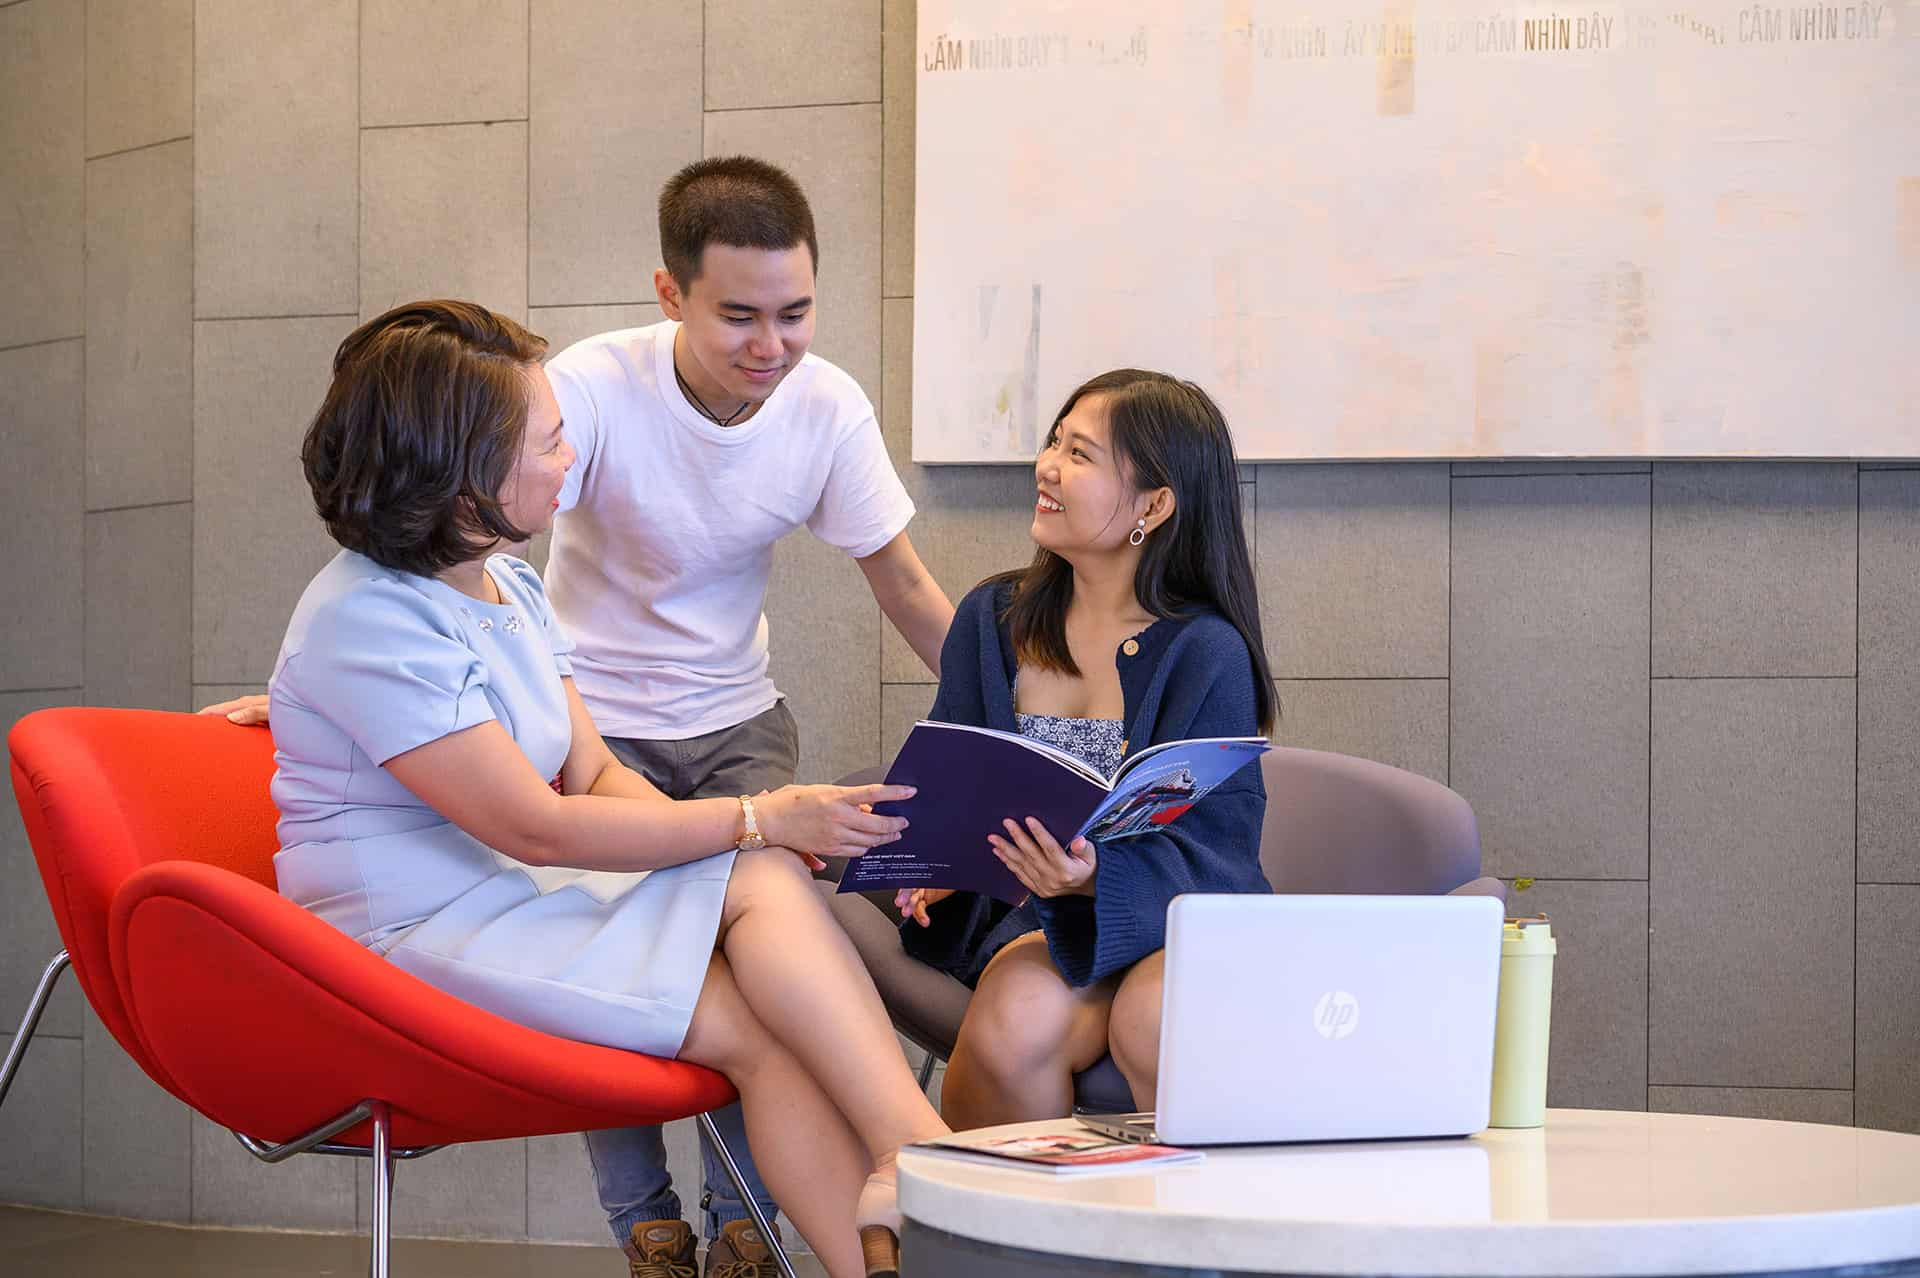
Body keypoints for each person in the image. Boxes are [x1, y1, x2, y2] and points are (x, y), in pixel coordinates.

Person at [206, 156, 954, 1278]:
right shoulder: (366, 621)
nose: (571, 462)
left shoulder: (500, 585)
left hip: (512, 895)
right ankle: (930, 1167)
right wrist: (757, 822)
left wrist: (740, 841)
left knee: (762, 964)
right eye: (550, 443)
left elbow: (593, 775)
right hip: (420, 933)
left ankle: (906, 1188)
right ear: (458, 467)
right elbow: (541, 826)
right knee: (754, 907)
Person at [891, 369, 1276, 1129]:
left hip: (1171, 919)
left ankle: (1192, 1239)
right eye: (1052, 442)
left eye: (1080, 453)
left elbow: (1221, 850)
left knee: (1157, 1019)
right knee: (1014, 1026)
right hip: (1038, 923)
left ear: (1154, 505)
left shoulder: (1207, 651)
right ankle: (1010, 1240)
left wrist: (1098, 873)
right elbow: (956, 783)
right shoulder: (991, 618)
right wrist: (940, 866)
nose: (1047, 466)